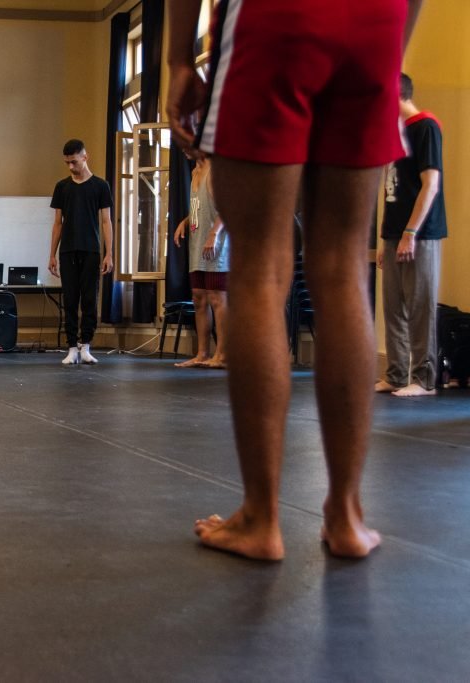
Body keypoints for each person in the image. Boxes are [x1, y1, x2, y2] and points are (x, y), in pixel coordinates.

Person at [167, 0, 423, 560]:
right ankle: (348, 517)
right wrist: (389, 46)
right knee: (344, 267)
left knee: (258, 268)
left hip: (276, 20)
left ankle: (260, 518)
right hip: (375, 24)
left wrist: (179, 62)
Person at [375, 73, 447, 398]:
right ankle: (395, 373)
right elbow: (390, 191)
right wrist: (384, 239)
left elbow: (430, 185)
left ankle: (424, 378)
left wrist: (410, 232)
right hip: (394, 234)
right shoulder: (394, 134)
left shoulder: (425, 127)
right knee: (393, 306)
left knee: (420, 304)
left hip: (419, 234)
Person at [48, 140, 114, 365]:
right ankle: (71, 348)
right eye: (67, 163)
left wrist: (109, 253)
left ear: (85, 157)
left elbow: (106, 221)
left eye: (74, 162)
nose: (70, 167)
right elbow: (57, 223)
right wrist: (52, 254)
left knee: (89, 299)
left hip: (91, 250)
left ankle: (85, 345)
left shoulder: (100, 186)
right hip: (67, 249)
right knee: (69, 299)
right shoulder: (62, 187)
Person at [172, 156, 228, 369]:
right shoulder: (195, 172)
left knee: (217, 298)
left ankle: (222, 355)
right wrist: (185, 222)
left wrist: (214, 234)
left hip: (217, 243)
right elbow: (201, 207)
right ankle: (202, 353)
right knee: (198, 298)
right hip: (197, 243)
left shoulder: (216, 169)